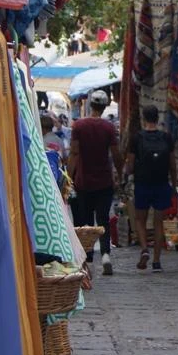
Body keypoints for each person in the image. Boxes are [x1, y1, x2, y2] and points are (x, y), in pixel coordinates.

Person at [68, 89, 122, 275]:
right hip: (104, 180)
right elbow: (115, 154)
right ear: (105, 106)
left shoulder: (79, 126)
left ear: (91, 105)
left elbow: (74, 153)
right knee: (103, 219)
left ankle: (89, 259)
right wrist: (120, 174)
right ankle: (106, 254)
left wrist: (68, 175)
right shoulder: (108, 128)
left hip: (83, 181)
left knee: (86, 221)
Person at [123, 106, 178, 273]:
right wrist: (174, 184)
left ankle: (145, 248)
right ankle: (156, 262)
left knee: (140, 219)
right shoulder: (166, 137)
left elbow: (130, 164)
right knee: (159, 222)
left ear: (143, 117)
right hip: (161, 183)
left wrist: (127, 174)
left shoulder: (137, 138)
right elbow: (172, 164)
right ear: (157, 117)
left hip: (143, 183)